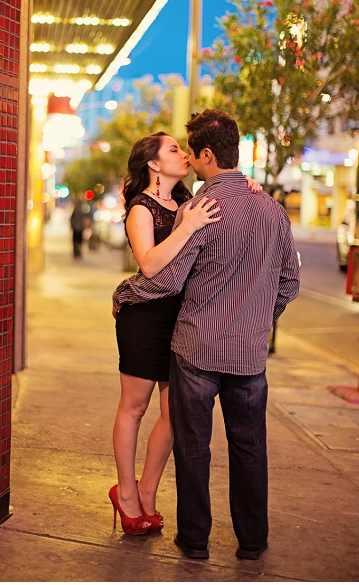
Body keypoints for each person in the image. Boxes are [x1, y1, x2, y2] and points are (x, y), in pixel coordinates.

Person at [112, 110, 300, 560]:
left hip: (197, 344)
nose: (188, 160)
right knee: (250, 449)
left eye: (191, 152)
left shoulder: (199, 207)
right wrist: (258, 319)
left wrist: (127, 291)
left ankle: (194, 541)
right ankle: (252, 543)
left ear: (208, 154)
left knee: (194, 448)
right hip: (248, 354)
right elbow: (290, 282)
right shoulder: (272, 209)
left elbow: (168, 279)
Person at [108, 131, 260, 536]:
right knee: (134, 407)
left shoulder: (190, 202)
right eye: (174, 149)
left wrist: (247, 186)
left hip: (184, 319)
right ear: (154, 164)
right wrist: (187, 225)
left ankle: (147, 490)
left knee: (176, 413)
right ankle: (124, 494)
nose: (185, 153)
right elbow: (152, 265)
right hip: (144, 319)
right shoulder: (141, 208)